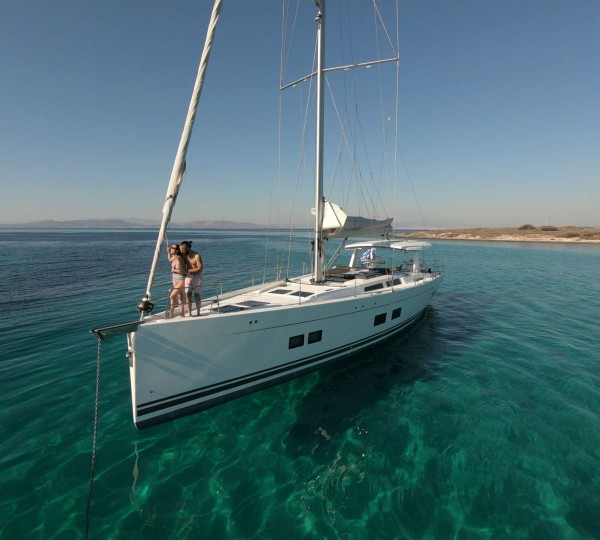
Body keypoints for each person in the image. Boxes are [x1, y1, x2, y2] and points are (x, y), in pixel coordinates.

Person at [180, 240, 203, 316]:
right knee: (188, 295)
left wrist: (187, 270)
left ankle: (198, 313)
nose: (182, 251)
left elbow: (200, 268)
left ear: (188, 248)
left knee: (197, 295)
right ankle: (189, 313)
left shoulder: (196, 255)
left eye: (183, 249)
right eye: (181, 250)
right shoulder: (184, 256)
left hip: (197, 277)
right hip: (188, 277)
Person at [167, 243, 187, 318]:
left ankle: (171, 314)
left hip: (181, 278)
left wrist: (174, 270)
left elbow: (184, 271)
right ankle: (182, 314)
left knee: (172, 296)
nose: (171, 248)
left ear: (177, 250)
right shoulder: (174, 257)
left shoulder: (180, 258)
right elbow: (169, 259)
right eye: (171, 247)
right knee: (180, 297)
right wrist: (168, 252)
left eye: (173, 248)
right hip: (174, 278)